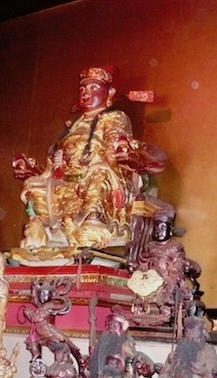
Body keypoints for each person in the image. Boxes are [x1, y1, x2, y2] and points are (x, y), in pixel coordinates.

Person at [14, 65, 166, 250]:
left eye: (93, 87)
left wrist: (123, 150)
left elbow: (116, 149)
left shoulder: (113, 118)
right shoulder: (71, 127)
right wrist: (34, 173)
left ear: (110, 93)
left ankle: (93, 222)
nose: (86, 93)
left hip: (96, 181)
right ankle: (41, 228)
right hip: (68, 186)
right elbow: (51, 170)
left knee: (98, 171)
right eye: (82, 89)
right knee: (34, 186)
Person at [131, 208, 201, 321]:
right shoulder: (149, 246)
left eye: (162, 228)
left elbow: (178, 264)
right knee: (140, 293)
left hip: (167, 280)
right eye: (156, 228)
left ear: (170, 230)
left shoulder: (174, 246)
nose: (158, 231)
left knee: (169, 295)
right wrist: (140, 270)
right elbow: (143, 261)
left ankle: (165, 314)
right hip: (150, 280)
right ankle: (143, 313)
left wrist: (171, 278)